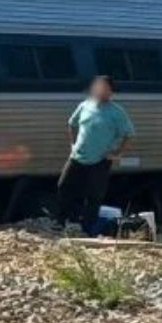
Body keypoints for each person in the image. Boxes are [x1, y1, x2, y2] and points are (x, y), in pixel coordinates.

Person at [55, 76, 135, 235]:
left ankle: (88, 228)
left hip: (100, 160)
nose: (99, 90)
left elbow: (129, 134)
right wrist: (73, 144)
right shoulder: (84, 105)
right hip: (77, 157)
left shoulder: (116, 112)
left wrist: (117, 153)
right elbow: (72, 123)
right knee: (64, 186)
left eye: (103, 87)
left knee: (94, 195)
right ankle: (63, 221)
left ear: (111, 91)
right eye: (97, 86)